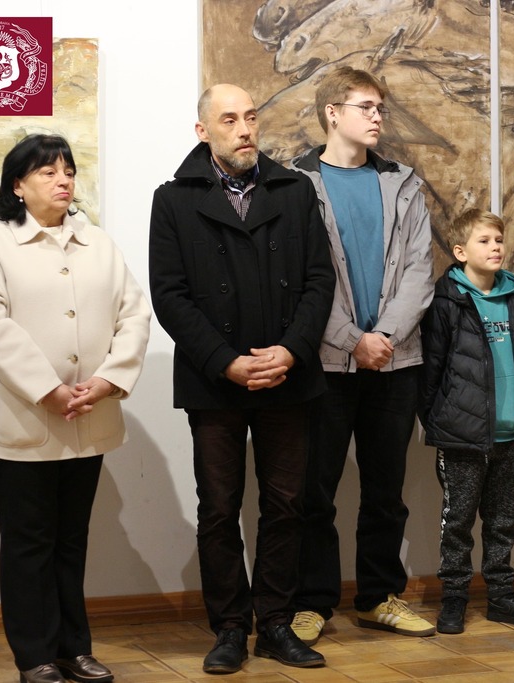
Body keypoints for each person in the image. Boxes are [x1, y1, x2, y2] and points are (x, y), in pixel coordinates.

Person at [149, 84, 335, 672]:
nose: (245, 129)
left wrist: (292, 350)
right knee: (218, 509)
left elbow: (320, 280)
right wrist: (223, 360)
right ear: (203, 130)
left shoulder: (294, 190)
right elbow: (169, 295)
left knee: (287, 506)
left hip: (287, 376)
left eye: (251, 117)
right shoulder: (173, 199)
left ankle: (275, 623)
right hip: (214, 380)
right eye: (229, 120)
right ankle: (230, 627)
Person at [0, 134, 151, 683]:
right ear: (18, 185)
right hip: (23, 419)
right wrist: (47, 387)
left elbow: (134, 316)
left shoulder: (99, 244)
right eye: (47, 172)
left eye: (68, 170)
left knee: (71, 541)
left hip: (90, 415)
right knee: (28, 544)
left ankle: (74, 648)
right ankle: (35, 657)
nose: (63, 180)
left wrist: (109, 379)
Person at [287, 66, 435, 643]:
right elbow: (298, 281)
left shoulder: (403, 183)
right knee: (314, 492)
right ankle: (312, 603)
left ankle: (378, 597)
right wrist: (352, 339)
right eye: (365, 107)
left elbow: (420, 271)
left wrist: (385, 337)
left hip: (395, 362)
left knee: (385, 493)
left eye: (380, 108)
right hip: (324, 365)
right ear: (333, 113)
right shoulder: (295, 185)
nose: (377, 117)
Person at [418, 209, 514, 635]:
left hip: (509, 431)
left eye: (498, 240)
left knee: (503, 519)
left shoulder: (513, 294)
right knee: (458, 522)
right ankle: (454, 598)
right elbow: (431, 370)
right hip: (462, 436)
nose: (495, 247)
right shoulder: (447, 299)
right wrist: (440, 422)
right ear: (460, 251)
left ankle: (502, 597)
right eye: (484, 241)